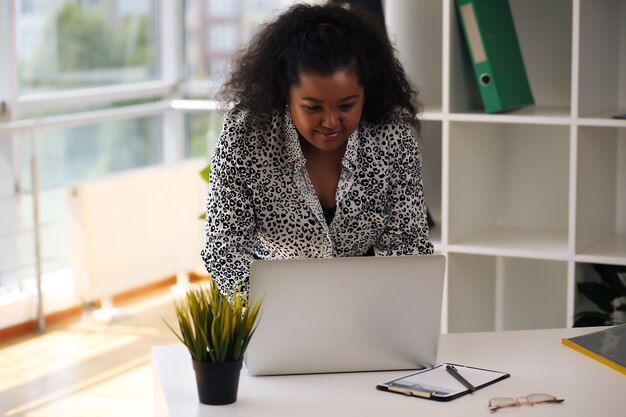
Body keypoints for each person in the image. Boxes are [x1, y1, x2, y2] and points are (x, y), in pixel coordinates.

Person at [201, 2, 434, 297]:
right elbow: (225, 248)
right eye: (313, 107)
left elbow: (408, 245)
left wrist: (385, 313)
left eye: (347, 105)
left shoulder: (392, 134)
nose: (331, 122)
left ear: (366, 93)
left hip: (366, 304)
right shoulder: (246, 135)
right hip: (271, 304)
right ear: (285, 93)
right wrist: (272, 311)